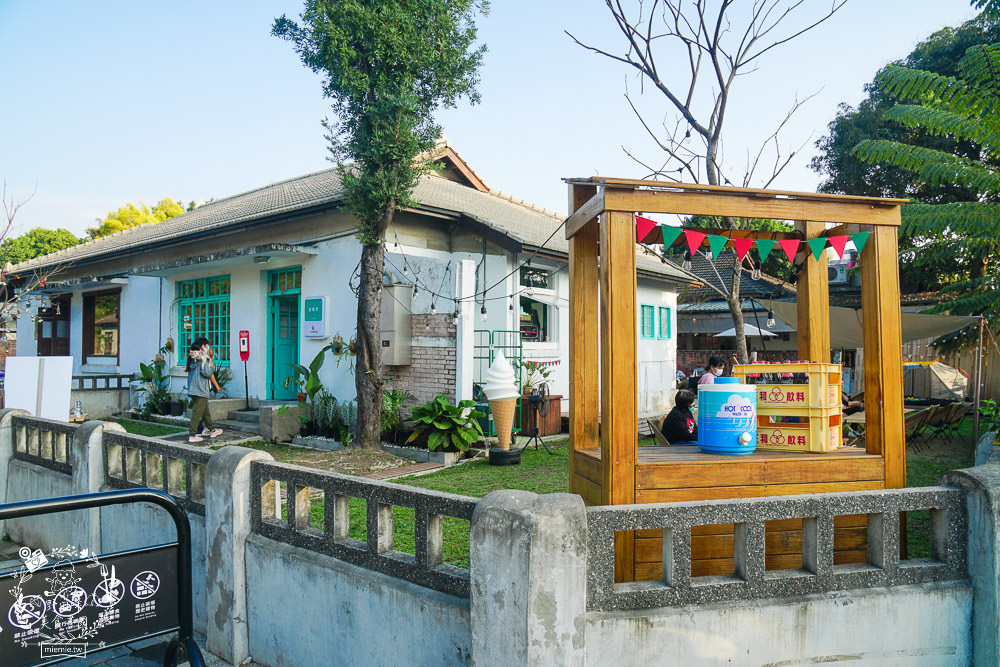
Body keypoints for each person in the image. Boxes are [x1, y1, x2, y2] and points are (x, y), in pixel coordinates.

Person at [187, 338, 222, 443]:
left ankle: (212, 430)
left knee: (205, 413)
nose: (208, 347)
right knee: (197, 414)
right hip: (200, 390)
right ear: (203, 346)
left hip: (193, 389)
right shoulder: (203, 358)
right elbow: (207, 373)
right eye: (207, 345)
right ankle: (192, 435)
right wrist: (210, 359)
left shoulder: (193, 358)